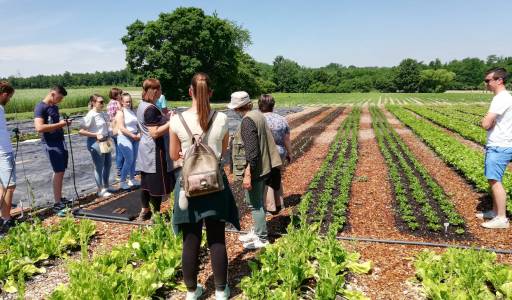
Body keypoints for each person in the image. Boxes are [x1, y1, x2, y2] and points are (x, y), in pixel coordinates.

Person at [169, 72, 239, 300]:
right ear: (210, 93)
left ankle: (192, 292)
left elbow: (173, 156)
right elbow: (224, 150)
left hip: (187, 189)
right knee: (216, 238)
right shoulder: (221, 119)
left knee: (190, 240)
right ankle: (220, 290)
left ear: (190, 91)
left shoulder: (176, 120)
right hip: (215, 186)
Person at [229, 91, 282, 249]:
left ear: (238, 108)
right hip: (264, 167)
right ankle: (257, 230)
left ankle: (262, 238)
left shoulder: (247, 121)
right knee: (258, 201)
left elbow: (252, 151)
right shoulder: (258, 115)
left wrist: (247, 174)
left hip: (255, 170)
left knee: (255, 204)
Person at [135, 79, 174, 221]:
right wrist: (171, 122)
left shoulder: (143, 105)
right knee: (156, 184)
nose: (161, 91)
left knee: (146, 183)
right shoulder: (151, 109)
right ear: (155, 91)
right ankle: (155, 215)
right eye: (160, 89)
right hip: (155, 151)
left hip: (145, 150)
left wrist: (165, 117)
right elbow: (155, 132)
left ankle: (144, 211)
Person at [478, 67, 512, 229]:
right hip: (504, 143)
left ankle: (501, 218)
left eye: (488, 80)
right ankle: (494, 211)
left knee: (494, 180)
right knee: (494, 179)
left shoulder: (500, 99)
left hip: (499, 145)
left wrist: (484, 121)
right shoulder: (506, 97)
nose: (486, 84)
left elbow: (486, 123)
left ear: (499, 80)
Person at [34, 85, 72, 212]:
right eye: (59, 98)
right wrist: (60, 124)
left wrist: (63, 122)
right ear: (52, 93)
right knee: (58, 171)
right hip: (50, 143)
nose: (60, 100)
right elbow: (39, 128)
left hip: (60, 141)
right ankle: (57, 203)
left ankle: (60, 198)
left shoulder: (54, 107)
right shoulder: (40, 107)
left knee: (61, 170)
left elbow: (54, 123)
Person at [258, 94, 292, 214]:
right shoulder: (281, 119)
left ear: (259, 105)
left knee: (266, 179)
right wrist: (289, 153)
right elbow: (286, 139)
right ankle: (279, 203)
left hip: (264, 153)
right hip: (279, 152)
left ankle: (270, 206)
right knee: (276, 175)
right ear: (273, 105)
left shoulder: (258, 119)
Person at [79, 94, 113, 197]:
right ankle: (100, 190)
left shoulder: (102, 113)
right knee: (99, 167)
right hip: (96, 143)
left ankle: (106, 186)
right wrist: (95, 134)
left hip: (106, 141)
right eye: (100, 102)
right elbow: (81, 131)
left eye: (103, 102)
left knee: (108, 164)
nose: (103, 104)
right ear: (93, 103)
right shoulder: (91, 115)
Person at [115, 93, 140, 190]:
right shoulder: (120, 113)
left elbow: (136, 125)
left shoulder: (132, 111)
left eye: (129, 101)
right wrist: (133, 135)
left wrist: (138, 133)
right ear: (122, 102)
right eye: (126, 102)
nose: (128, 103)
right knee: (129, 159)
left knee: (133, 160)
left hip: (134, 137)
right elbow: (121, 127)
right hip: (124, 137)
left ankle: (132, 179)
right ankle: (122, 181)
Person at [0, 81, 16, 232]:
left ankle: (3, 216)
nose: (9, 100)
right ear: (4, 94)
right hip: (3, 152)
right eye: (9, 97)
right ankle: (6, 220)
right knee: (9, 186)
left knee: (2, 186)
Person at [107, 87, 124, 180]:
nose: (121, 95)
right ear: (116, 95)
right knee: (121, 150)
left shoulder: (110, 103)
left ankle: (120, 170)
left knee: (119, 150)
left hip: (112, 130)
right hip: (117, 129)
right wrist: (120, 104)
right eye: (120, 94)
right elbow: (121, 113)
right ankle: (120, 171)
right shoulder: (115, 103)